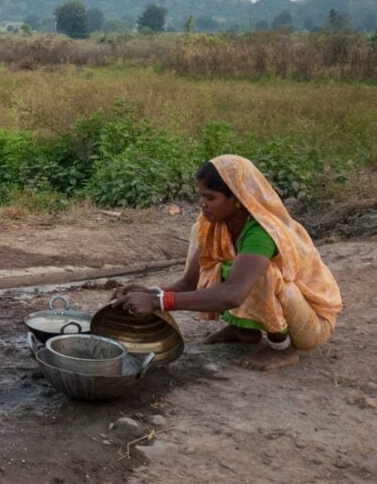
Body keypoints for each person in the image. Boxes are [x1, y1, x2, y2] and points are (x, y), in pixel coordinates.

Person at [113, 155, 342, 371]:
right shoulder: (213, 226)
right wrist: (151, 293)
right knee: (203, 239)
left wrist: (157, 302)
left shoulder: (262, 232)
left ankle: (282, 348)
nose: (202, 204)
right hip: (276, 304)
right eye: (201, 196)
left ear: (238, 200)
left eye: (210, 198)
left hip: (310, 325)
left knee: (263, 274)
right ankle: (244, 331)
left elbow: (233, 294)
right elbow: (190, 282)